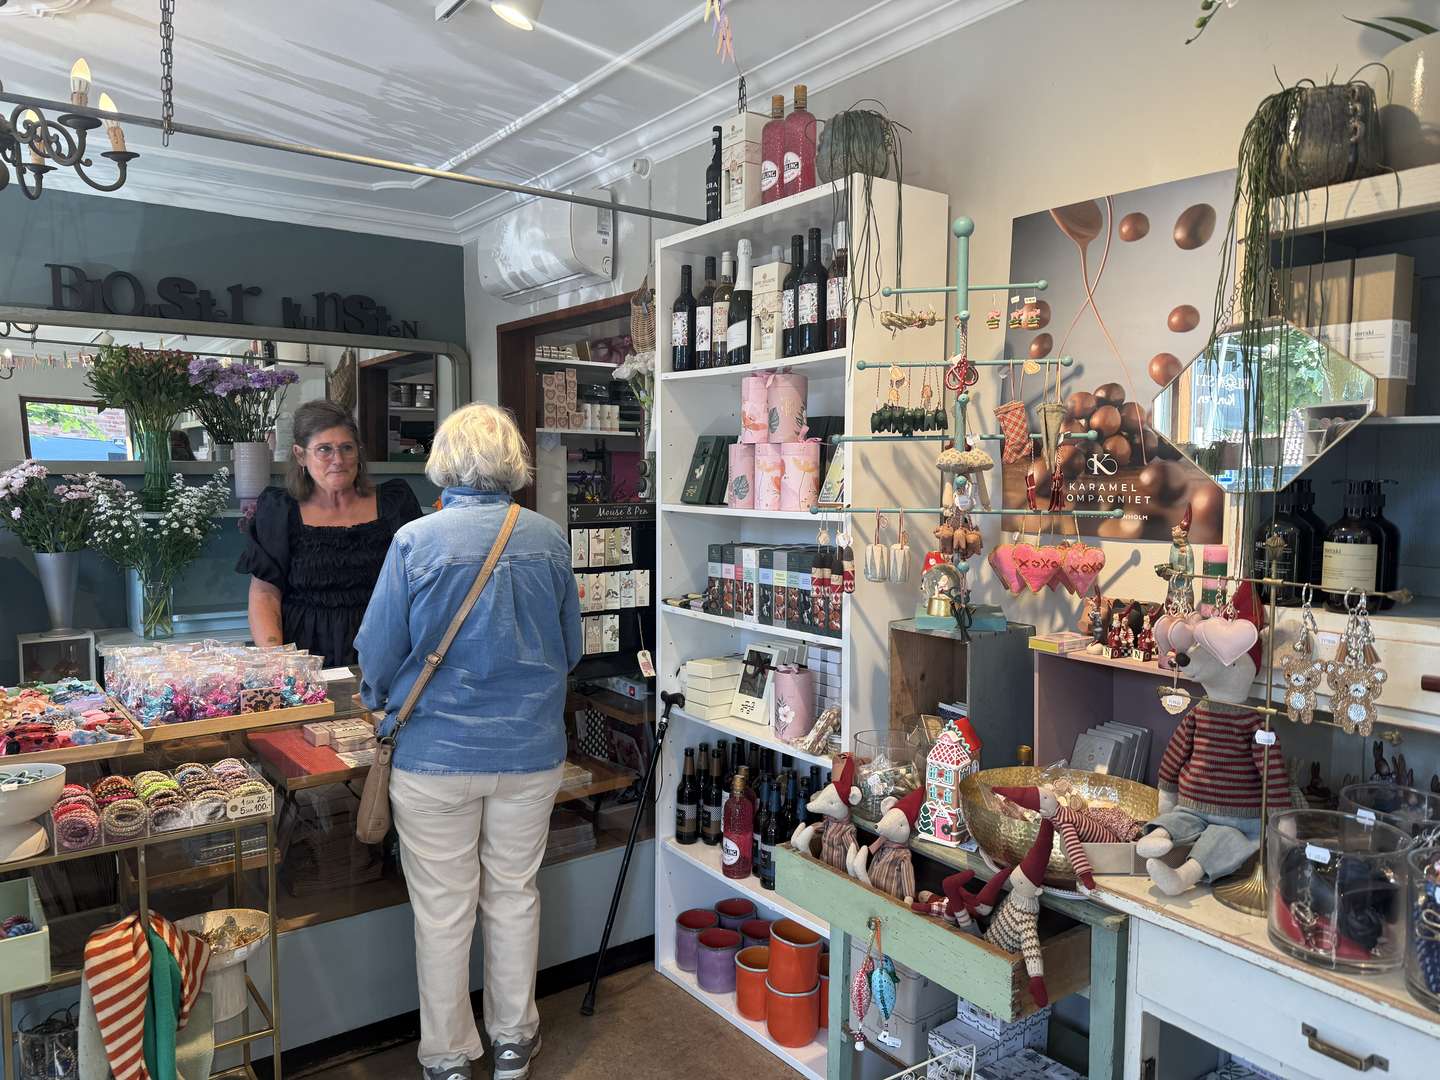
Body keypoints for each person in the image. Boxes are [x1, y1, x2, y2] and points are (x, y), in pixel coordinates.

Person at [355, 403, 581, 1080]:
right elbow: (570, 649)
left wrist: (378, 699)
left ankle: (449, 1059)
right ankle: (513, 1041)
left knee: (443, 911)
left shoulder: (415, 542)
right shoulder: (549, 539)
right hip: (530, 751)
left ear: (443, 461)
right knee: (514, 895)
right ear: (514, 463)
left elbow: (377, 652)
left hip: (433, 757)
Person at [237, 399, 422, 667]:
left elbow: (419, 586)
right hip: (304, 656)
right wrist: (277, 663)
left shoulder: (395, 503)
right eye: (324, 449)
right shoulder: (279, 510)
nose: (338, 460)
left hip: (384, 653)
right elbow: (264, 594)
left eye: (347, 448)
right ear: (300, 455)